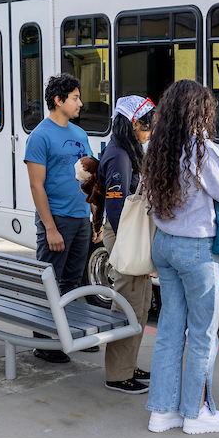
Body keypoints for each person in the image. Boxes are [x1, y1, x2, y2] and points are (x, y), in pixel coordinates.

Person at [142, 80, 219, 435]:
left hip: (164, 245)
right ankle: (196, 413)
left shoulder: (155, 147)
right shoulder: (202, 150)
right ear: (200, 112)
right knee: (202, 333)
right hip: (196, 250)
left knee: (169, 328)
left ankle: (162, 412)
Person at [24, 73, 95, 363]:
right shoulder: (40, 136)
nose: (80, 103)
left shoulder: (79, 134)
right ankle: (45, 343)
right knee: (50, 283)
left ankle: (74, 334)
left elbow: (91, 177)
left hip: (81, 218)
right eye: (75, 97)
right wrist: (50, 228)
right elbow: (36, 185)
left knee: (74, 281)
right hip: (58, 220)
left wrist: (96, 217)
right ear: (58, 100)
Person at [97, 95, 156, 394]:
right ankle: (118, 375)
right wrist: (129, 247)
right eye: (147, 125)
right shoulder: (119, 155)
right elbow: (117, 207)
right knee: (127, 307)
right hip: (125, 235)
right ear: (133, 123)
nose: (149, 131)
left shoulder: (126, 151)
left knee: (141, 304)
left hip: (130, 234)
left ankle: (129, 364)